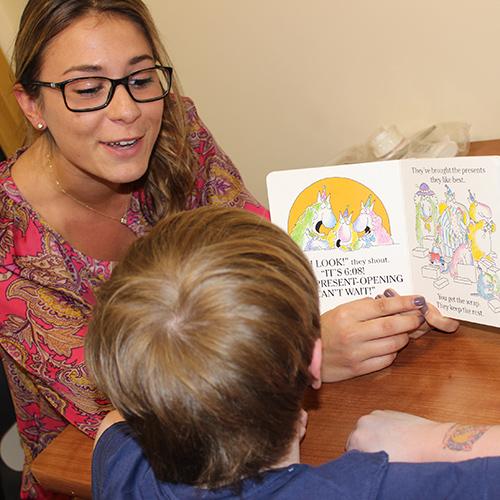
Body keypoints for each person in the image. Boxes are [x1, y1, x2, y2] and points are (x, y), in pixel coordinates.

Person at [0, 0, 456, 497]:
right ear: (30, 104)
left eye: (141, 78)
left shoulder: (173, 127)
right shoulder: (9, 246)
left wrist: (384, 299)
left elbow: (258, 251)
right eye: (87, 88)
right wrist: (298, 353)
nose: (128, 110)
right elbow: (139, 402)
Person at [86, 206, 500, 500]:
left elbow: (112, 424)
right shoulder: (375, 488)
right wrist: (435, 441)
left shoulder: (121, 465)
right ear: (315, 361)